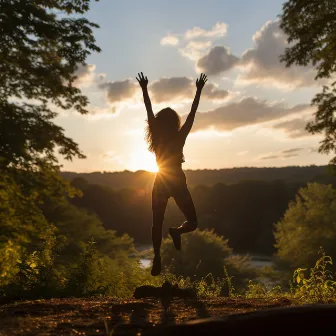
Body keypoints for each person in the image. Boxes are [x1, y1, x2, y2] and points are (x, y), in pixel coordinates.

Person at [136, 72, 207, 276]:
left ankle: (157, 256)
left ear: (159, 123)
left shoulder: (157, 137)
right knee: (192, 222)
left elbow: (148, 110)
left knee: (156, 222)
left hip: (160, 181)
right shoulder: (180, 137)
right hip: (177, 182)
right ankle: (177, 231)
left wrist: (144, 89)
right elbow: (192, 114)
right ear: (175, 122)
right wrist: (198, 90)